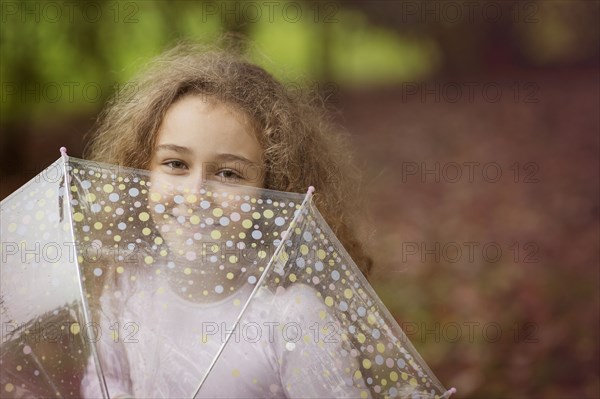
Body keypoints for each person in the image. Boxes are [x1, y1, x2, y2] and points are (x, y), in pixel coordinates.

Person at [78, 40, 375, 398]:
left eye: (229, 174)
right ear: (143, 168)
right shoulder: (128, 287)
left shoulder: (291, 317)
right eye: (175, 164)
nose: (195, 196)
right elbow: (107, 380)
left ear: (272, 189)